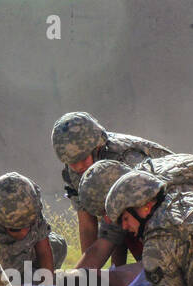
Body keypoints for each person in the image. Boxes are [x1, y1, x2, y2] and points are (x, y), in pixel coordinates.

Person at [51, 111, 171, 262]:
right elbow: (88, 222)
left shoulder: (125, 159)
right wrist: (88, 274)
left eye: (83, 159)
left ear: (96, 148)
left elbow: (148, 211)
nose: (78, 166)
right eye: (72, 162)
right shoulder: (73, 171)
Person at [0, 172, 67, 276]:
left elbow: (43, 249)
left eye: (29, 224)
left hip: (20, 254)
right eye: (16, 229)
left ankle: (26, 277)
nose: (26, 231)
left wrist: (46, 285)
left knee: (58, 246)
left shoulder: (27, 203)